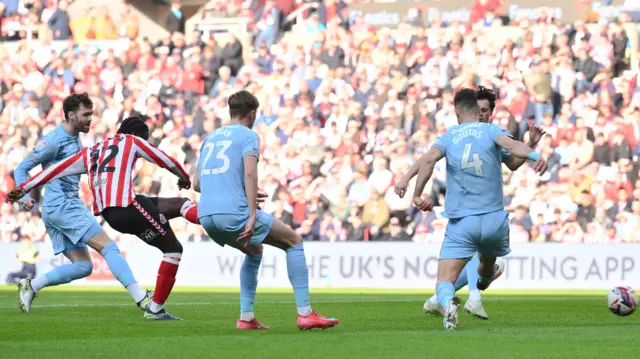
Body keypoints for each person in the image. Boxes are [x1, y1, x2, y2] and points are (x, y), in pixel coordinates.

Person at [7, 116, 198, 320]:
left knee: (177, 205)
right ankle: (152, 306)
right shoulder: (133, 141)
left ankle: (33, 285)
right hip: (127, 207)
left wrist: (24, 187)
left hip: (110, 215)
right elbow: (164, 159)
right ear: (137, 135)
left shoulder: (91, 152)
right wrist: (184, 177)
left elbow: (55, 170)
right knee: (173, 249)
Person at [395, 86, 547, 319]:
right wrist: (534, 153)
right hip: (495, 221)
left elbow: (428, 161)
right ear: (476, 110)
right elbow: (514, 149)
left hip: (463, 220)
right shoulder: (494, 133)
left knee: (444, 279)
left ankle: (448, 302)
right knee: (487, 266)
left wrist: (414, 191)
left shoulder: (449, 136)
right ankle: (478, 289)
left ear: (458, 112)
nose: (483, 113)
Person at [195, 90, 339, 330]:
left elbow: (197, 183)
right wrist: (251, 213)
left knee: (254, 251)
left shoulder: (210, 139)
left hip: (206, 216)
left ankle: (246, 318)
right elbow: (251, 173)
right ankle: (305, 313)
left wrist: (237, 188)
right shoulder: (249, 136)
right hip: (234, 213)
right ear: (252, 114)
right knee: (293, 241)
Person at [10, 93, 151, 314]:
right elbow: (20, 168)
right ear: (70, 115)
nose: (89, 119)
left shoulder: (75, 136)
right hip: (63, 205)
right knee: (109, 247)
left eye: (91, 114)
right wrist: (26, 197)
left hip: (55, 208)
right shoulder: (53, 140)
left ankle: (31, 285)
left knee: (83, 266)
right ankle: (142, 299)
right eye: (86, 114)